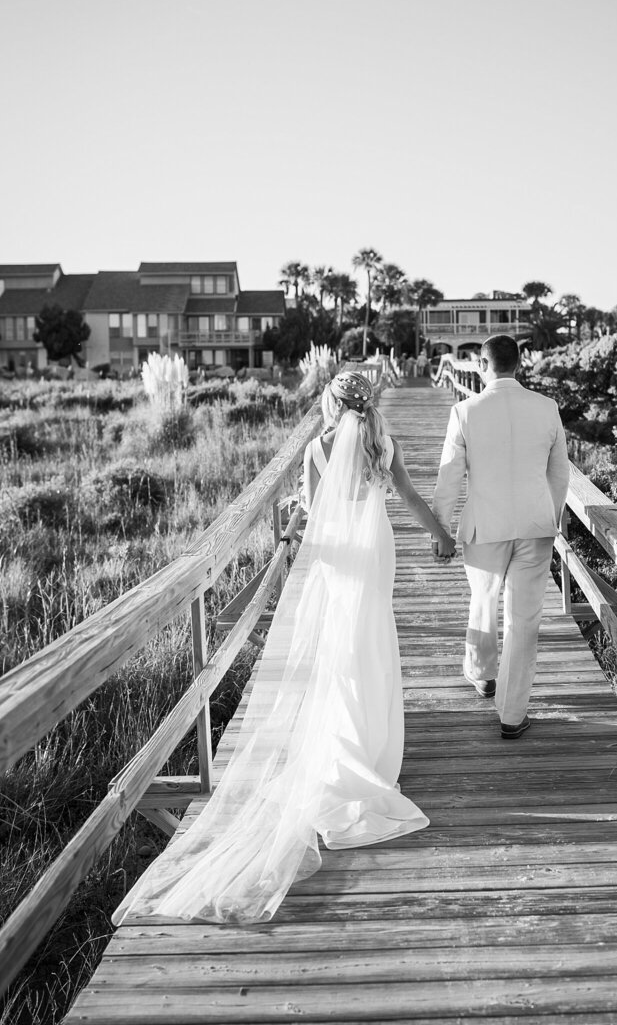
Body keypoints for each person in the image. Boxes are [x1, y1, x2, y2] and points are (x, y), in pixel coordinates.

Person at [112, 370, 455, 925]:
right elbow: (410, 498)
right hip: (374, 557)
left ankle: (343, 751)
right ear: (368, 403)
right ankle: (373, 754)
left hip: (336, 558)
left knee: (337, 651)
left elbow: (314, 513)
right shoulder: (381, 443)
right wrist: (439, 534)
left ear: (329, 404)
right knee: (372, 643)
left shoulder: (318, 449)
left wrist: (294, 535)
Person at [431, 334, 570, 739]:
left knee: (484, 600)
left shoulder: (465, 411)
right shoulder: (547, 408)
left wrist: (441, 526)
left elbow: (450, 475)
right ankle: (512, 715)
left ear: (480, 364)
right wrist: (551, 516)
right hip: (535, 525)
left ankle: (482, 674)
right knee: (524, 619)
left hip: (484, 526)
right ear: (520, 364)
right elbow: (559, 473)